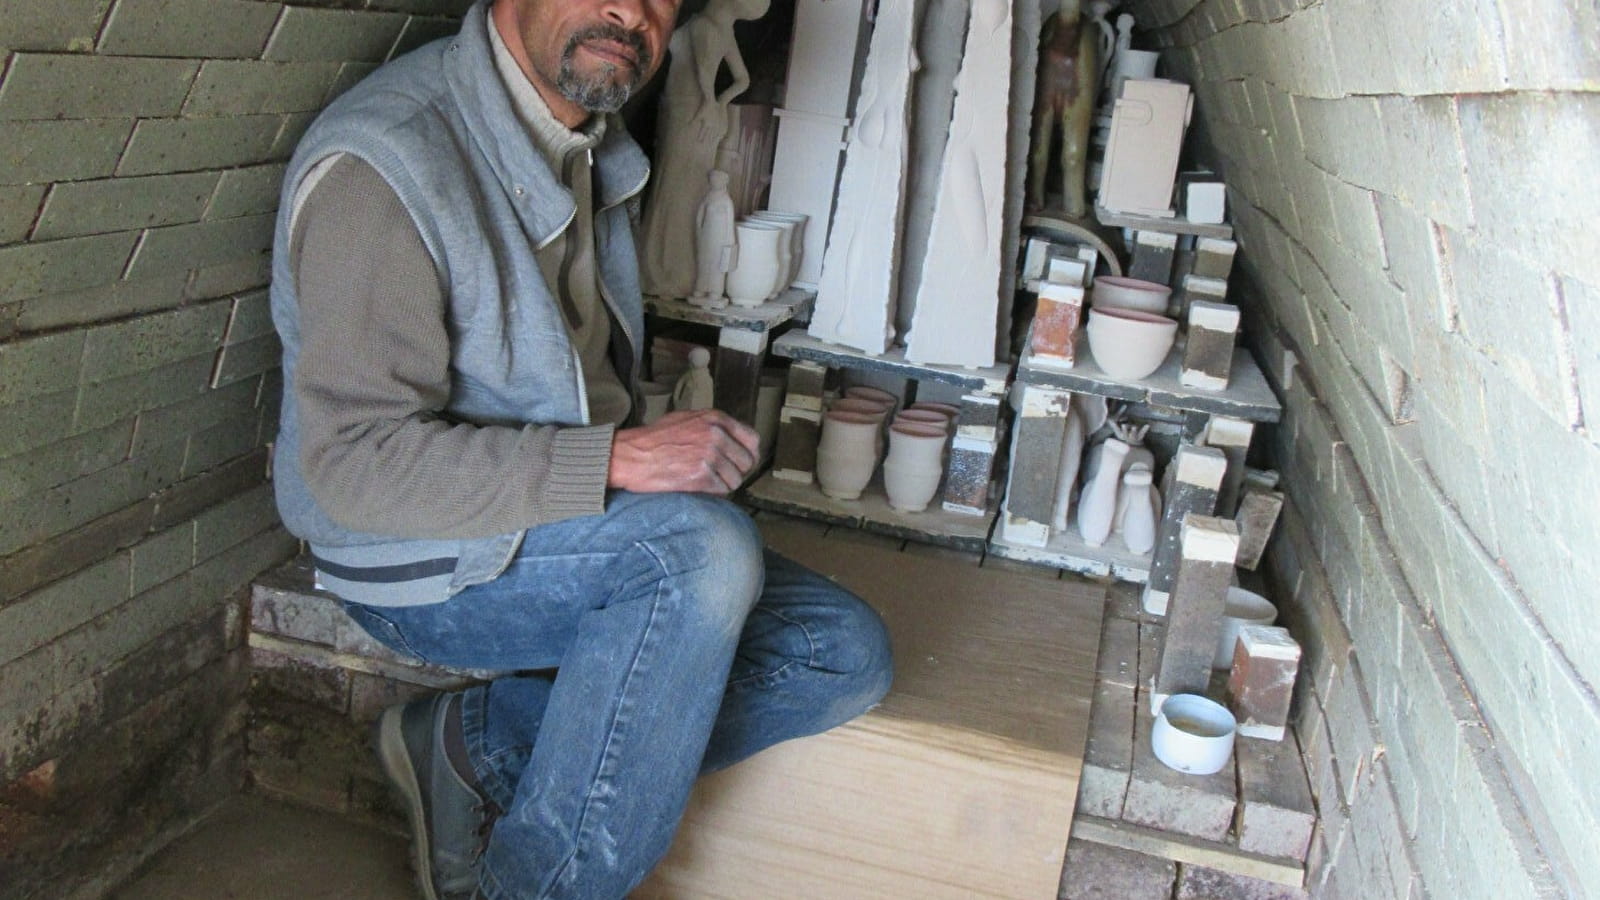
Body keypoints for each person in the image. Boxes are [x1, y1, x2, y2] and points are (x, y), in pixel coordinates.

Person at [266, 2, 894, 898]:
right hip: (414, 551)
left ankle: (478, 743)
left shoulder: (586, 137)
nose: (629, 11)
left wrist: (630, 467)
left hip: (555, 517)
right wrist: (617, 462)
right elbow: (355, 467)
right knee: (697, 556)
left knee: (841, 652)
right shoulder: (387, 164)